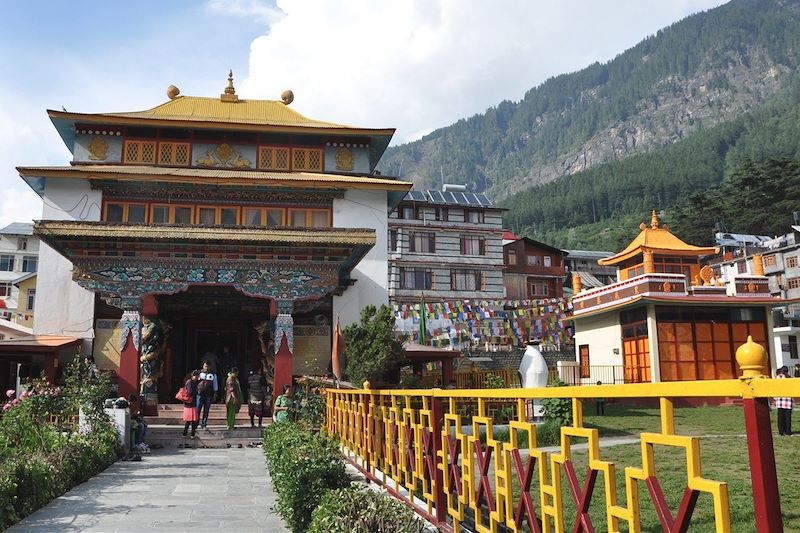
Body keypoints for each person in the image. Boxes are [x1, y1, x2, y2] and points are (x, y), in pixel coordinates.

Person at [197, 361, 218, 429]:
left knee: (206, 410)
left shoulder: (213, 374)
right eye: (205, 366)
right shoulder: (199, 373)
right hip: (200, 394)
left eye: (208, 366)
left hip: (208, 394)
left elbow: (215, 384)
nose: (206, 368)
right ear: (203, 366)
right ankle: (196, 423)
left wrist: (215, 393)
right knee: (198, 409)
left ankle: (204, 423)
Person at [774, 366, 793, 436]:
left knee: (780, 417)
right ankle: (788, 431)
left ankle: (781, 431)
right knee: (788, 417)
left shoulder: (778, 378)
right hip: (788, 400)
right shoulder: (789, 378)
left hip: (780, 400)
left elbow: (775, 388)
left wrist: (775, 399)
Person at [183, 370, 200, 438]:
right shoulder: (189, 382)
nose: (197, 378)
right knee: (189, 420)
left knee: (193, 420)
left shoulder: (193, 382)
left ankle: (191, 434)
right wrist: (196, 391)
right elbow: (190, 392)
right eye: (196, 376)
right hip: (189, 404)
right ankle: (185, 433)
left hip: (192, 403)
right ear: (193, 376)